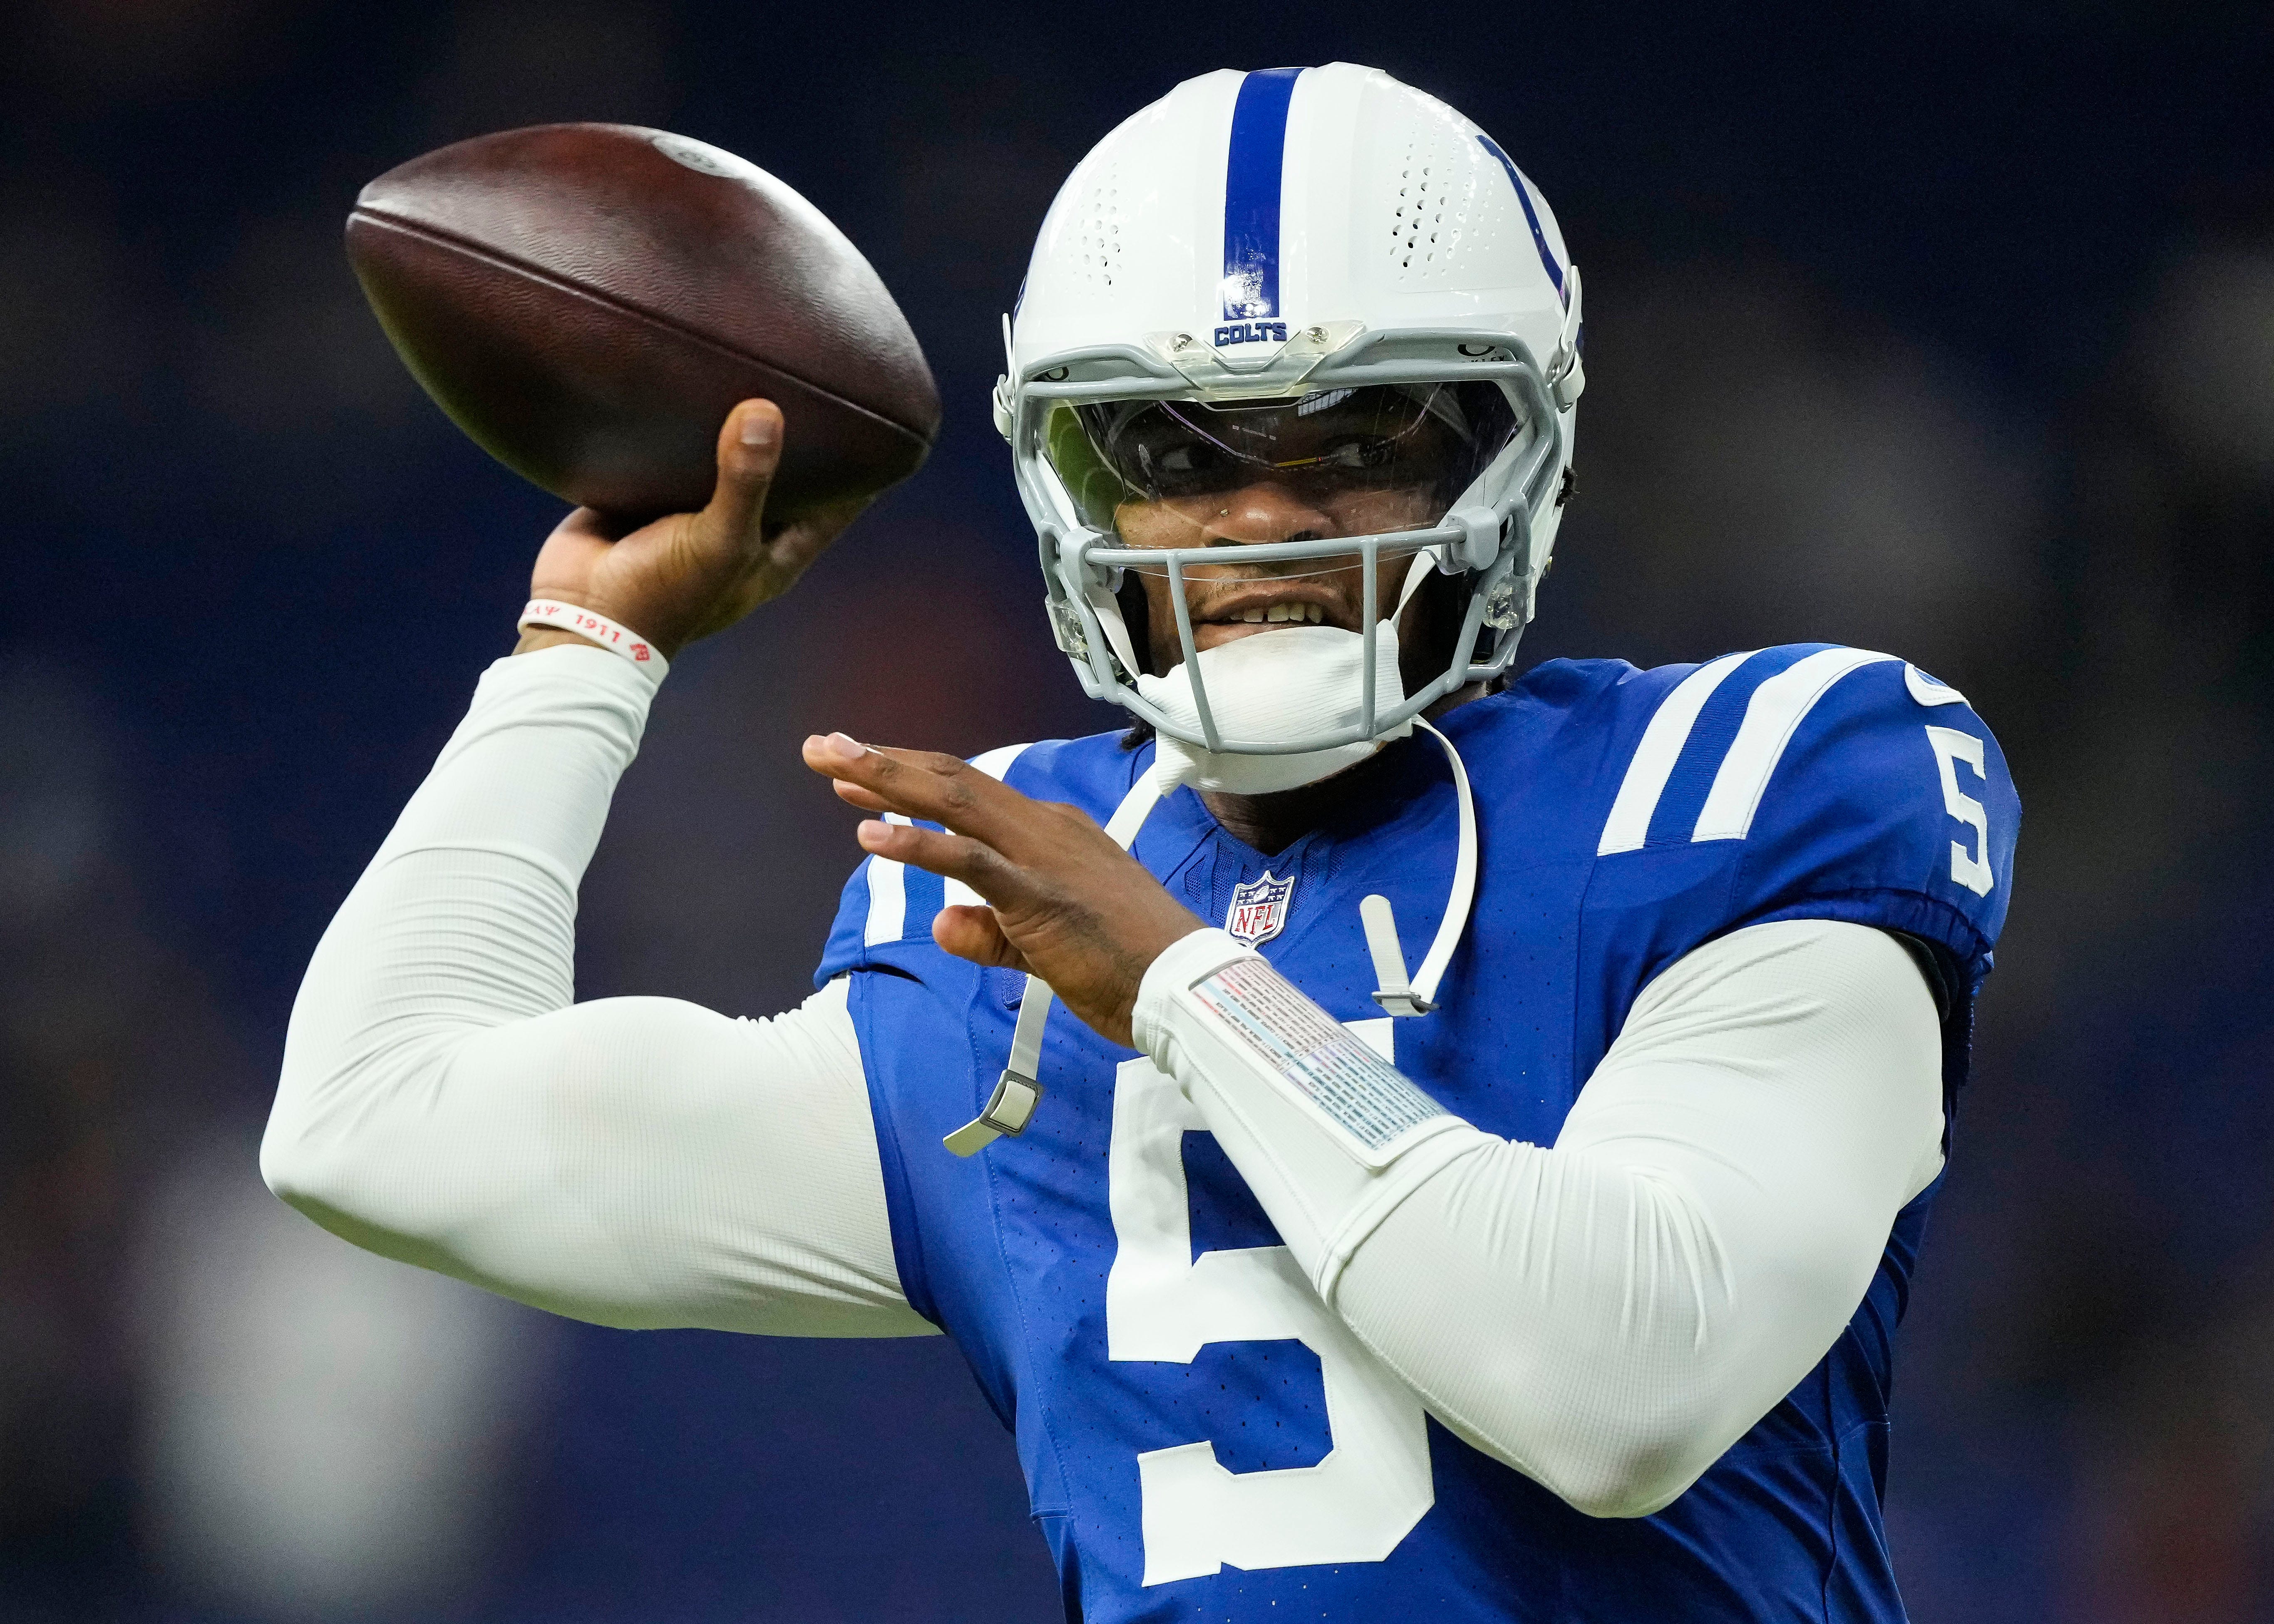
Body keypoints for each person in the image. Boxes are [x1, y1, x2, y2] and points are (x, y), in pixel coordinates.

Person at [263, 62, 2018, 1622]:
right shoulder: (1000, 917)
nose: (1259, 517)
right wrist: (581, 654)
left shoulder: (1750, 777)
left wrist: (1183, 985)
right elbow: (375, 1120)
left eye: (1362, 436)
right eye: (1166, 448)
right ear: (1067, 483)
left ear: (1516, 455)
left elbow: (1620, 1387)